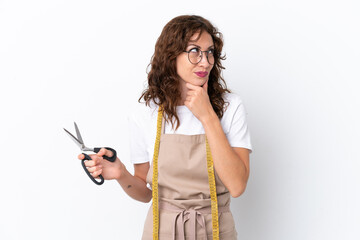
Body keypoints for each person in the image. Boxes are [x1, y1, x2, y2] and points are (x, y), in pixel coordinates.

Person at [78, 15, 252, 240]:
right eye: (194, 51)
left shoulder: (230, 107)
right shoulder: (146, 113)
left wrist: (207, 115)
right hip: (162, 232)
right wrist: (120, 174)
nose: (205, 61)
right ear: (171, 55)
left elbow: (237, 186)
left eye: (210, 52)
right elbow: (145, 193)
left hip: (217, 231)